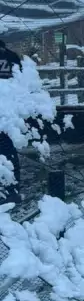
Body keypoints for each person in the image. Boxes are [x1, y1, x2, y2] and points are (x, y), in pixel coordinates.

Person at [0, 40, 22, 205]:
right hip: (8, 111)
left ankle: (9, 188)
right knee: (8, 149)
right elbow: (20, 80)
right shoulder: (12, 56)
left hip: (5, 109)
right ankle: (12, 188)